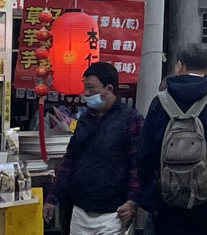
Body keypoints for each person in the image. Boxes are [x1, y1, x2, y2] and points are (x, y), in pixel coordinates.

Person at [138, 44, 207, 235]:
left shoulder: (160, 102)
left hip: (169, 204)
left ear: (179, 66)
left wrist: (151, 198)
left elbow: (145, 155)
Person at [45, 62, 142, 235]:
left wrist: (132, 201)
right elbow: (69, 161)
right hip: (79, 211)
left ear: (109, 88)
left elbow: (138, 165)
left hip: (112, 214)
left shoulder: (131, 119)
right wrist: (52, 198)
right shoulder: (84, 119)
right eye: (85, 88)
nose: (86, 94)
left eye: (91, 89)